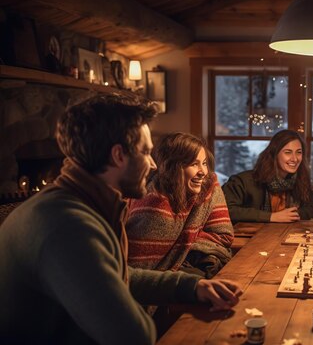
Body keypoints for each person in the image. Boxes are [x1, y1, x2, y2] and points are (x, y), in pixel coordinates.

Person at [0, 94, 242, 345]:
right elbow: (134, 335)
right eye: (146, 152)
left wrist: (192, 286)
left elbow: (117, 276)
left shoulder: (84, 205)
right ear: (118, 156)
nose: (153, 165)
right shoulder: (68, 226)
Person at [126, 132, 234, 279]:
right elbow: (137, 270)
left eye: (204, 163)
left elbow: (224, 235)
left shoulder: (208, 186)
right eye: (194, 164)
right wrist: (191, 238)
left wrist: (186, 241)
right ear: (173, 168)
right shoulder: (156, 205)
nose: (203, 172)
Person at [223, 129, 313, 223]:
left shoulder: (301, 180)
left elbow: (309, 209)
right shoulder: (243, 181)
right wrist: (271, 217)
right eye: (288, 152)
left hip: (284, 234)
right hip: (248, 236)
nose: (295, 159)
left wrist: (292, 215)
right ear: (274, 154)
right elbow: (227, 210)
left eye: (299, 152)